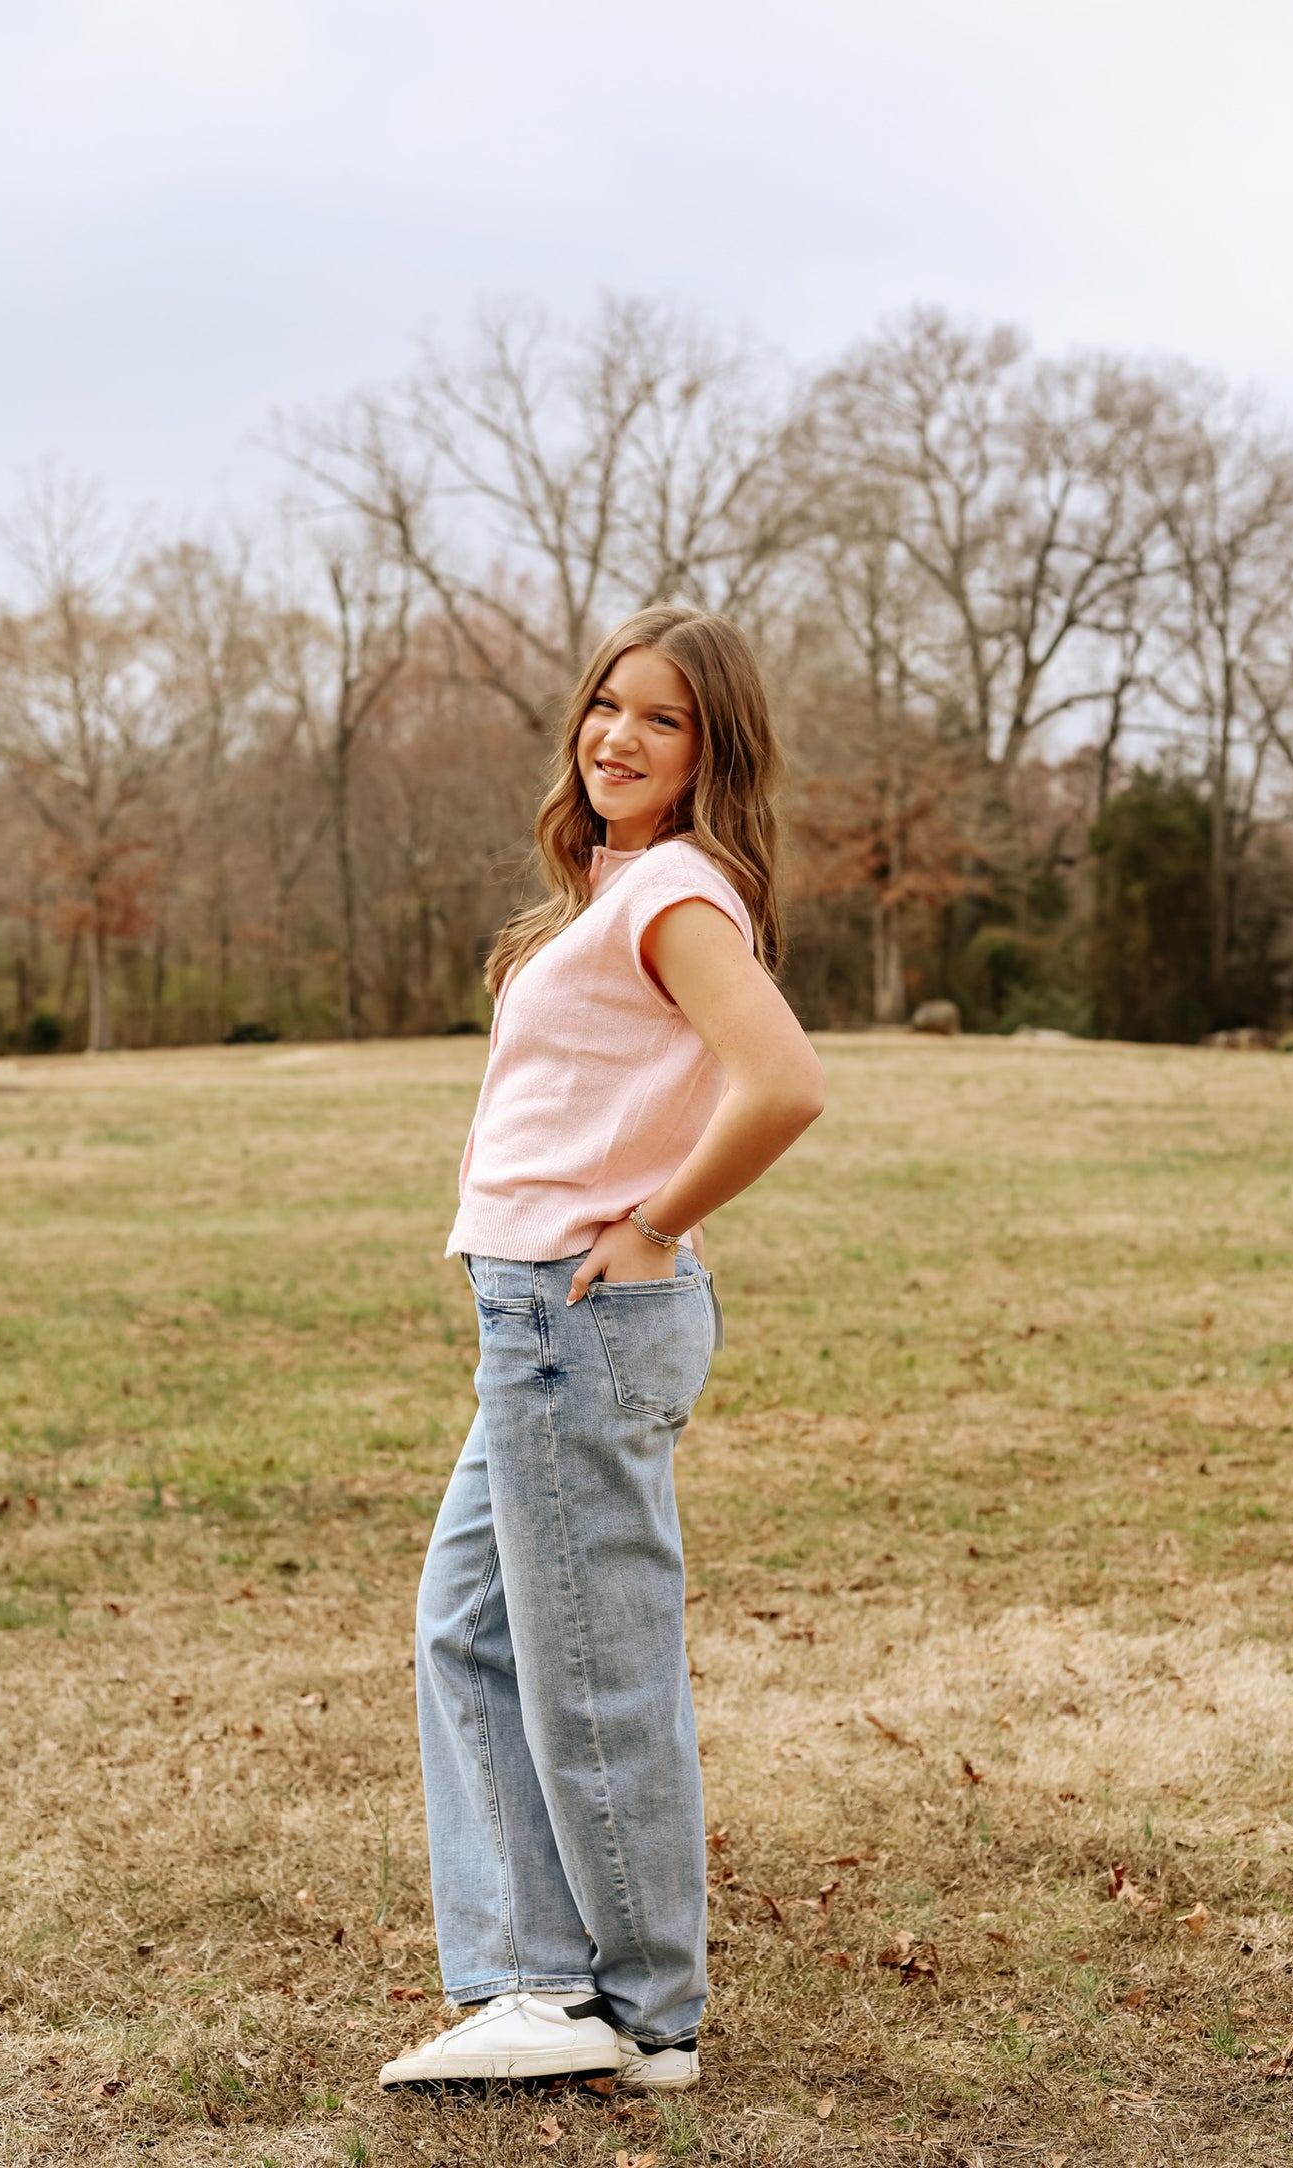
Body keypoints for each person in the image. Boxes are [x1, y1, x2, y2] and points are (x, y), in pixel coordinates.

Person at [379, 605, 824, 2096]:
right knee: (473, 1628)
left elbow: (782, 1082)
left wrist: (653, 1221)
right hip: (535, 1314)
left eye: (664, 720)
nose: (618, 737)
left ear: (714, 751)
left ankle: (642, 2013)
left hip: (580, 1315)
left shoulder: (677, 893)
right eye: (606, 706)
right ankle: (534, 1981)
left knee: (590, 1662)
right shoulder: (614, 887)